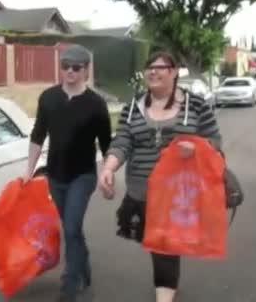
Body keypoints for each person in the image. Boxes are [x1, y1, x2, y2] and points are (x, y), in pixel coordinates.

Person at [98, 51, 224, 302]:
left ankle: (164, 295)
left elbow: (215, 143)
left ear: (175, 72)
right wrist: (109, 168)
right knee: (160, 246)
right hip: (142, 192)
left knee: (164, 247)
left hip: (180, 195)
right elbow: (123, 141)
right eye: (149, 67)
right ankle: (167, 286)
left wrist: (196, 147)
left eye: (160, 67)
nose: (153, 71)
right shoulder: (133, 106)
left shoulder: (196, 105)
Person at [25, 44, 112, 302]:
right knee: (71, 229)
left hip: (83, 176)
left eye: (76, 67)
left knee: (72, 226)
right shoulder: (48, 98)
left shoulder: (96, 104)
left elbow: (107, 143)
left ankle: (69, 285)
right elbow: (37, 135)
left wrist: (108, 174)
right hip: (56, 175)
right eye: (65, 67)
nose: (70, 72)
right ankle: (83, 268)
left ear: (86, 70)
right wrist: (28, 171)